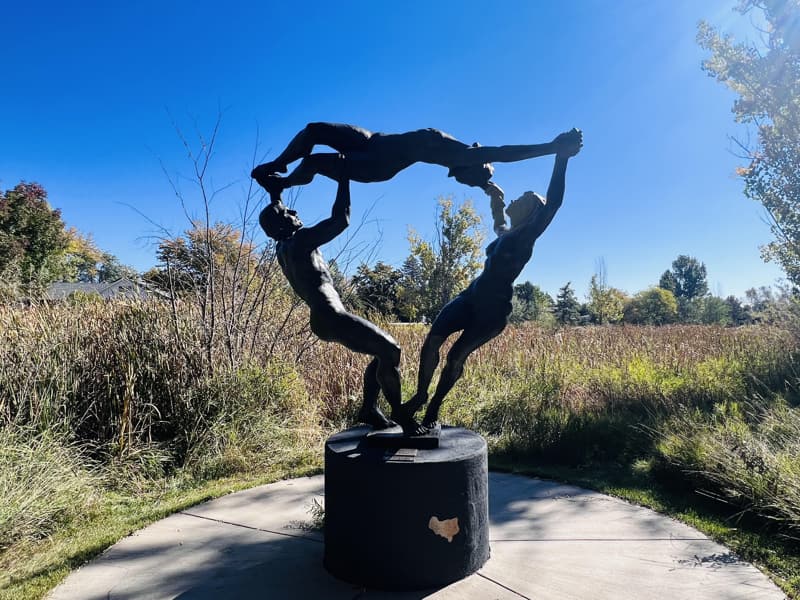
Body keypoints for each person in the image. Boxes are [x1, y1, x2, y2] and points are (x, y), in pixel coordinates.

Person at [396, 129, 582, 434]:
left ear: (532, 210)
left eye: (524, 197)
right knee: (433, 340)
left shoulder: (526, 236)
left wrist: (561, 159)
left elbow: (554, 204)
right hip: (470, 296)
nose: (518, 196)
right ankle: (418, 397)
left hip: (492, 312)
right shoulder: (507, 235)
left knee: (456, 357)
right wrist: (493, 194)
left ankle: (433, 410)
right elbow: (497, 218)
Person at [259, 163, 421, 434]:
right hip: (331, 315)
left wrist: (275, 193)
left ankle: (370, 410)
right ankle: (402, 416)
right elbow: (341, 220)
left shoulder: (283, 246)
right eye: (289, 212)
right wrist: (344, 177)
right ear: (282, 223)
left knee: (381, 355)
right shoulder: (301, 241)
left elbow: (276, 215)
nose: (295, 212)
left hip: (321, 318)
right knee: (391, 351)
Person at [252, 122, 579, 233]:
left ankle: (282, 183)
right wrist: (488, 187)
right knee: (315, 130)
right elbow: (492, 167)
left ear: (472, 164)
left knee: (323, 161)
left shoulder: (461, 157)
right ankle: (277, 167)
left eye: (484, 160)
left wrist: (552, 147)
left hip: (376, 165)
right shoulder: (458, 148)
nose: (482, 150)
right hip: (374, 141)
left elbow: (505, 151)